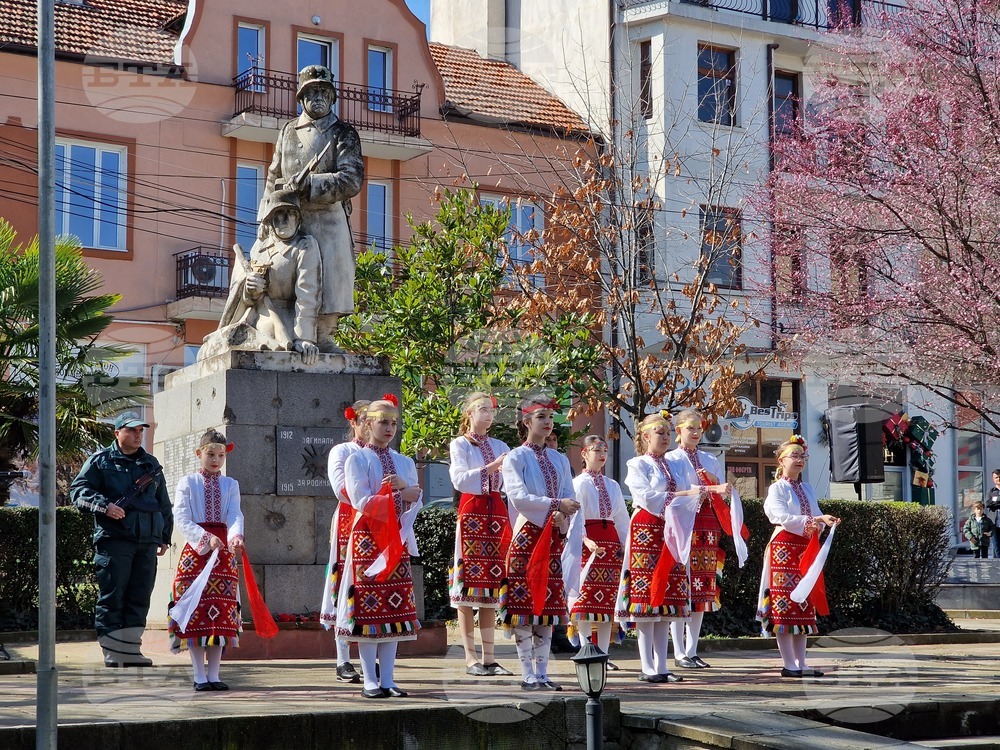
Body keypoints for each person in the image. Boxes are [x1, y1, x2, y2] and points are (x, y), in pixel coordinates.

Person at [265, 64, 365, 349]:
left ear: (333, 97)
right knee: (288, 284)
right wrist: (266, 220)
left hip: (329, 220)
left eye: (323, 91)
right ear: (301, 98)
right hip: (291, 220)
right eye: (310, 92)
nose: (317, 97)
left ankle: (324, 336)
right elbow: (273, 177)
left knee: (331, 283)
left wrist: (311, 184)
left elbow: (352, 179)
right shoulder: (288, 131)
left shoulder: (344, 133)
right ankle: (290, 334)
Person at [337, 394, 422, 698]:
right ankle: (370, 680)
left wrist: (405, 491)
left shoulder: (403, 461)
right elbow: (361, 501)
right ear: (368, 423)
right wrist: (400, 493)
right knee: (370, 610)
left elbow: (416, 497)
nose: (389, 428)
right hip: (369, 540)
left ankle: (388, 679)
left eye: (394, 423)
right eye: (383, 422)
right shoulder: (356, 459)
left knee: (394, 612)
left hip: (396, 538)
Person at [71, 411, 172, 667]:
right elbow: (78, 492)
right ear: (117, 433)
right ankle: (113, 651)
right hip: (114, 541)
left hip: (147, 542)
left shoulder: (150, 464)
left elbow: (163, 503)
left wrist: (164, 536)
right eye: (132, 430)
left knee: (140, 597)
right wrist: (104, 506)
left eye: (140, 431)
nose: (138, 435)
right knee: (113, 596)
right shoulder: (100, 461)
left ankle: (131, 650)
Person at [619, 412, 709, 684]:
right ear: (646, 436)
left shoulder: (675, 464)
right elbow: (646, 497)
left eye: (668, 432)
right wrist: (685, 496)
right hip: (647, 528)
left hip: (672, 531)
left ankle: (662, 665)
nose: (666, 437)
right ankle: (647, 666)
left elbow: (688, 491)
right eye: (660, 432)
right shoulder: (637, 464)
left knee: (667, 601)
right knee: (648, 599)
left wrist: (697, 494)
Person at [500, 395, 580, 691]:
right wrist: (558, 504)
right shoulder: (516, 457)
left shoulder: (559, 459)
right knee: (524, 609)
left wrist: (563, 516)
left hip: (553, 537)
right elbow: (519, 497)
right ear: (526, 422)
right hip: (526, 536)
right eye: (542, 417)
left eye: (550, 418)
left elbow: (570, 494)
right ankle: (526, 673)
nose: (548, 423)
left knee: (547, 609)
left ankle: (543, 672)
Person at [756, 435, 840, 678]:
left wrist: (824, 521)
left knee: (804, 605)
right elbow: (779, 516)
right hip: (784, 548)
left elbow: (816, 514)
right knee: (785, 604)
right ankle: (789, 664)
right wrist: (814, 521)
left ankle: (801, 662)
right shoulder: (777, 488)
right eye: (794, 455)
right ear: (781, 460)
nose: (800, 459)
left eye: (802, 456)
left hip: (805, 549)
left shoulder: (807, 488)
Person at [167, 429, 244, 691]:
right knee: (197, 614)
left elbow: (235, 514)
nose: (215, 460)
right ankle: (199, 674)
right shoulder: (187, 482)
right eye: (210, 454)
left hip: (222, 555)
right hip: (197, 555)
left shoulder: (231, 484)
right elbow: (182, 517)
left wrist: (235, 537)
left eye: (220, 455)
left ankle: (215, 674)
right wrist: (205, 538)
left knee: (221, 614)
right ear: (199, 453)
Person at [448, 392, 513, 677]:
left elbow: (510, 484)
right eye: (482, 409)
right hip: (472, 510)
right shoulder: (460, 444)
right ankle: (470, 657)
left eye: (490, 410)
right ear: (469, 414)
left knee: (490, 587)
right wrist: (490, 468)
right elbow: (460, 479)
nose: (488, 414)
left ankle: (490, 657)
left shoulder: (500, 444)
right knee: (467, 588)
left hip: (497, 512)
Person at [216, 188, 321, 364]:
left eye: (291, 213)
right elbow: (249, 298)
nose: (285, 219)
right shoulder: (259, 248)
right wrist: (250, 290)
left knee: (265, 345)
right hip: (254, 316)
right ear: (270, 220)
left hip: (286, 319)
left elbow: (308, 294)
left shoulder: (304, 246)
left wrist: (305, 338)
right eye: (279, 213)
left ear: (298, 218)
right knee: (218, 346)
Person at [666, 409, 733, 669]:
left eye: (699, 428)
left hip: (707, 525)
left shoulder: (710, 458)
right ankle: (679, 651)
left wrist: (718, 488)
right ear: (679, 430)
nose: (695, 432)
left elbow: (721, 493)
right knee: (681, 586)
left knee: (702, 589)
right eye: (690, 427)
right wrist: (706, 487)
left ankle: (692, 649)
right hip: (684, 523)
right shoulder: (672, 459)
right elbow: (675, 491)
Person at [320, 399, 371, 683]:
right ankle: (342, 658)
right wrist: (373, 499)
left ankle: (369, 654)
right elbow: (341, 487)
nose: (370, 425)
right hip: (350, 519)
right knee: (345, 582)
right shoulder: (342, 450)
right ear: (353, 422)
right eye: (365, 419)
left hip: (378, 522)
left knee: (370, 584)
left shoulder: (386, 453)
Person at [566, 435, 629, 656]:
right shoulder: (578, 483)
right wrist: (584, 539)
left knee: (606, 604)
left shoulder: (612, 485)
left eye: (605, 451)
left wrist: (626, 545)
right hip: (588, 547)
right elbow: (575, 516)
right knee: (585, 600)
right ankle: (586, 649)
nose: (602, 455)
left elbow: (621, 518)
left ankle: (602, 652)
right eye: (596, 450)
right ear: (584, 453)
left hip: (610, 547)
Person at [987, 470, 1000, 559]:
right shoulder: (991, 491)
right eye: (996, 477)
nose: (998, 479)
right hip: (995, 525)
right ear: (993, 479)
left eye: (999, 477)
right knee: (997, 549)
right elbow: (988, 503)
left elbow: (993, 504)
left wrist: (996, 502)